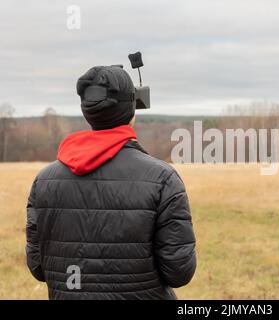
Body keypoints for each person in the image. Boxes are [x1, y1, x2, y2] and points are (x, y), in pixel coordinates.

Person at [25, 65, 196, 299]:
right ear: (132, 110)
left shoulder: (44, 181)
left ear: (87, 111)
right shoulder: (163, 179)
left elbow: (37, 267)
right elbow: (179, 272)